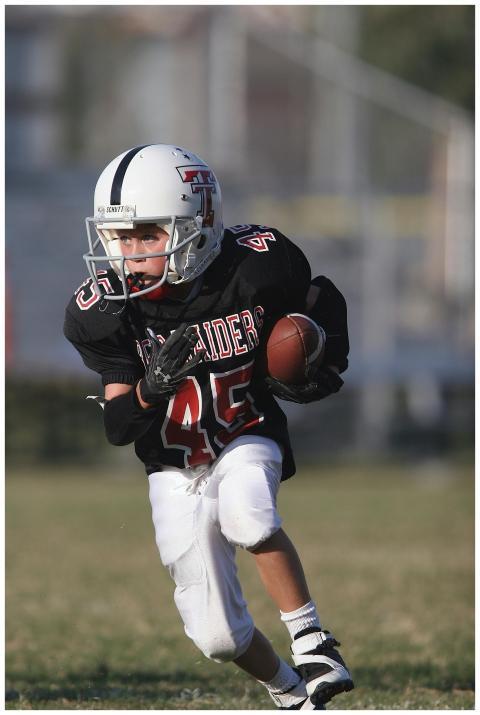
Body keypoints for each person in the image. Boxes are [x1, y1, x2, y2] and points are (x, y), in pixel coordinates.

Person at [64, 144, 353, 710]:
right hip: (174, 466)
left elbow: (323, 305)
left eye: (146, 235)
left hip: (245, 429)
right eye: (117, 237)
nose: (127, 254)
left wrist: (317, 364)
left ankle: (312, 639)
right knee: (218, 637)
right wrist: (152, 387)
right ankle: (292, 691)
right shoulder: (105, 312)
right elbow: (121, 428)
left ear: (200, 224)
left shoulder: (257, 264)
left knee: (250, 512)